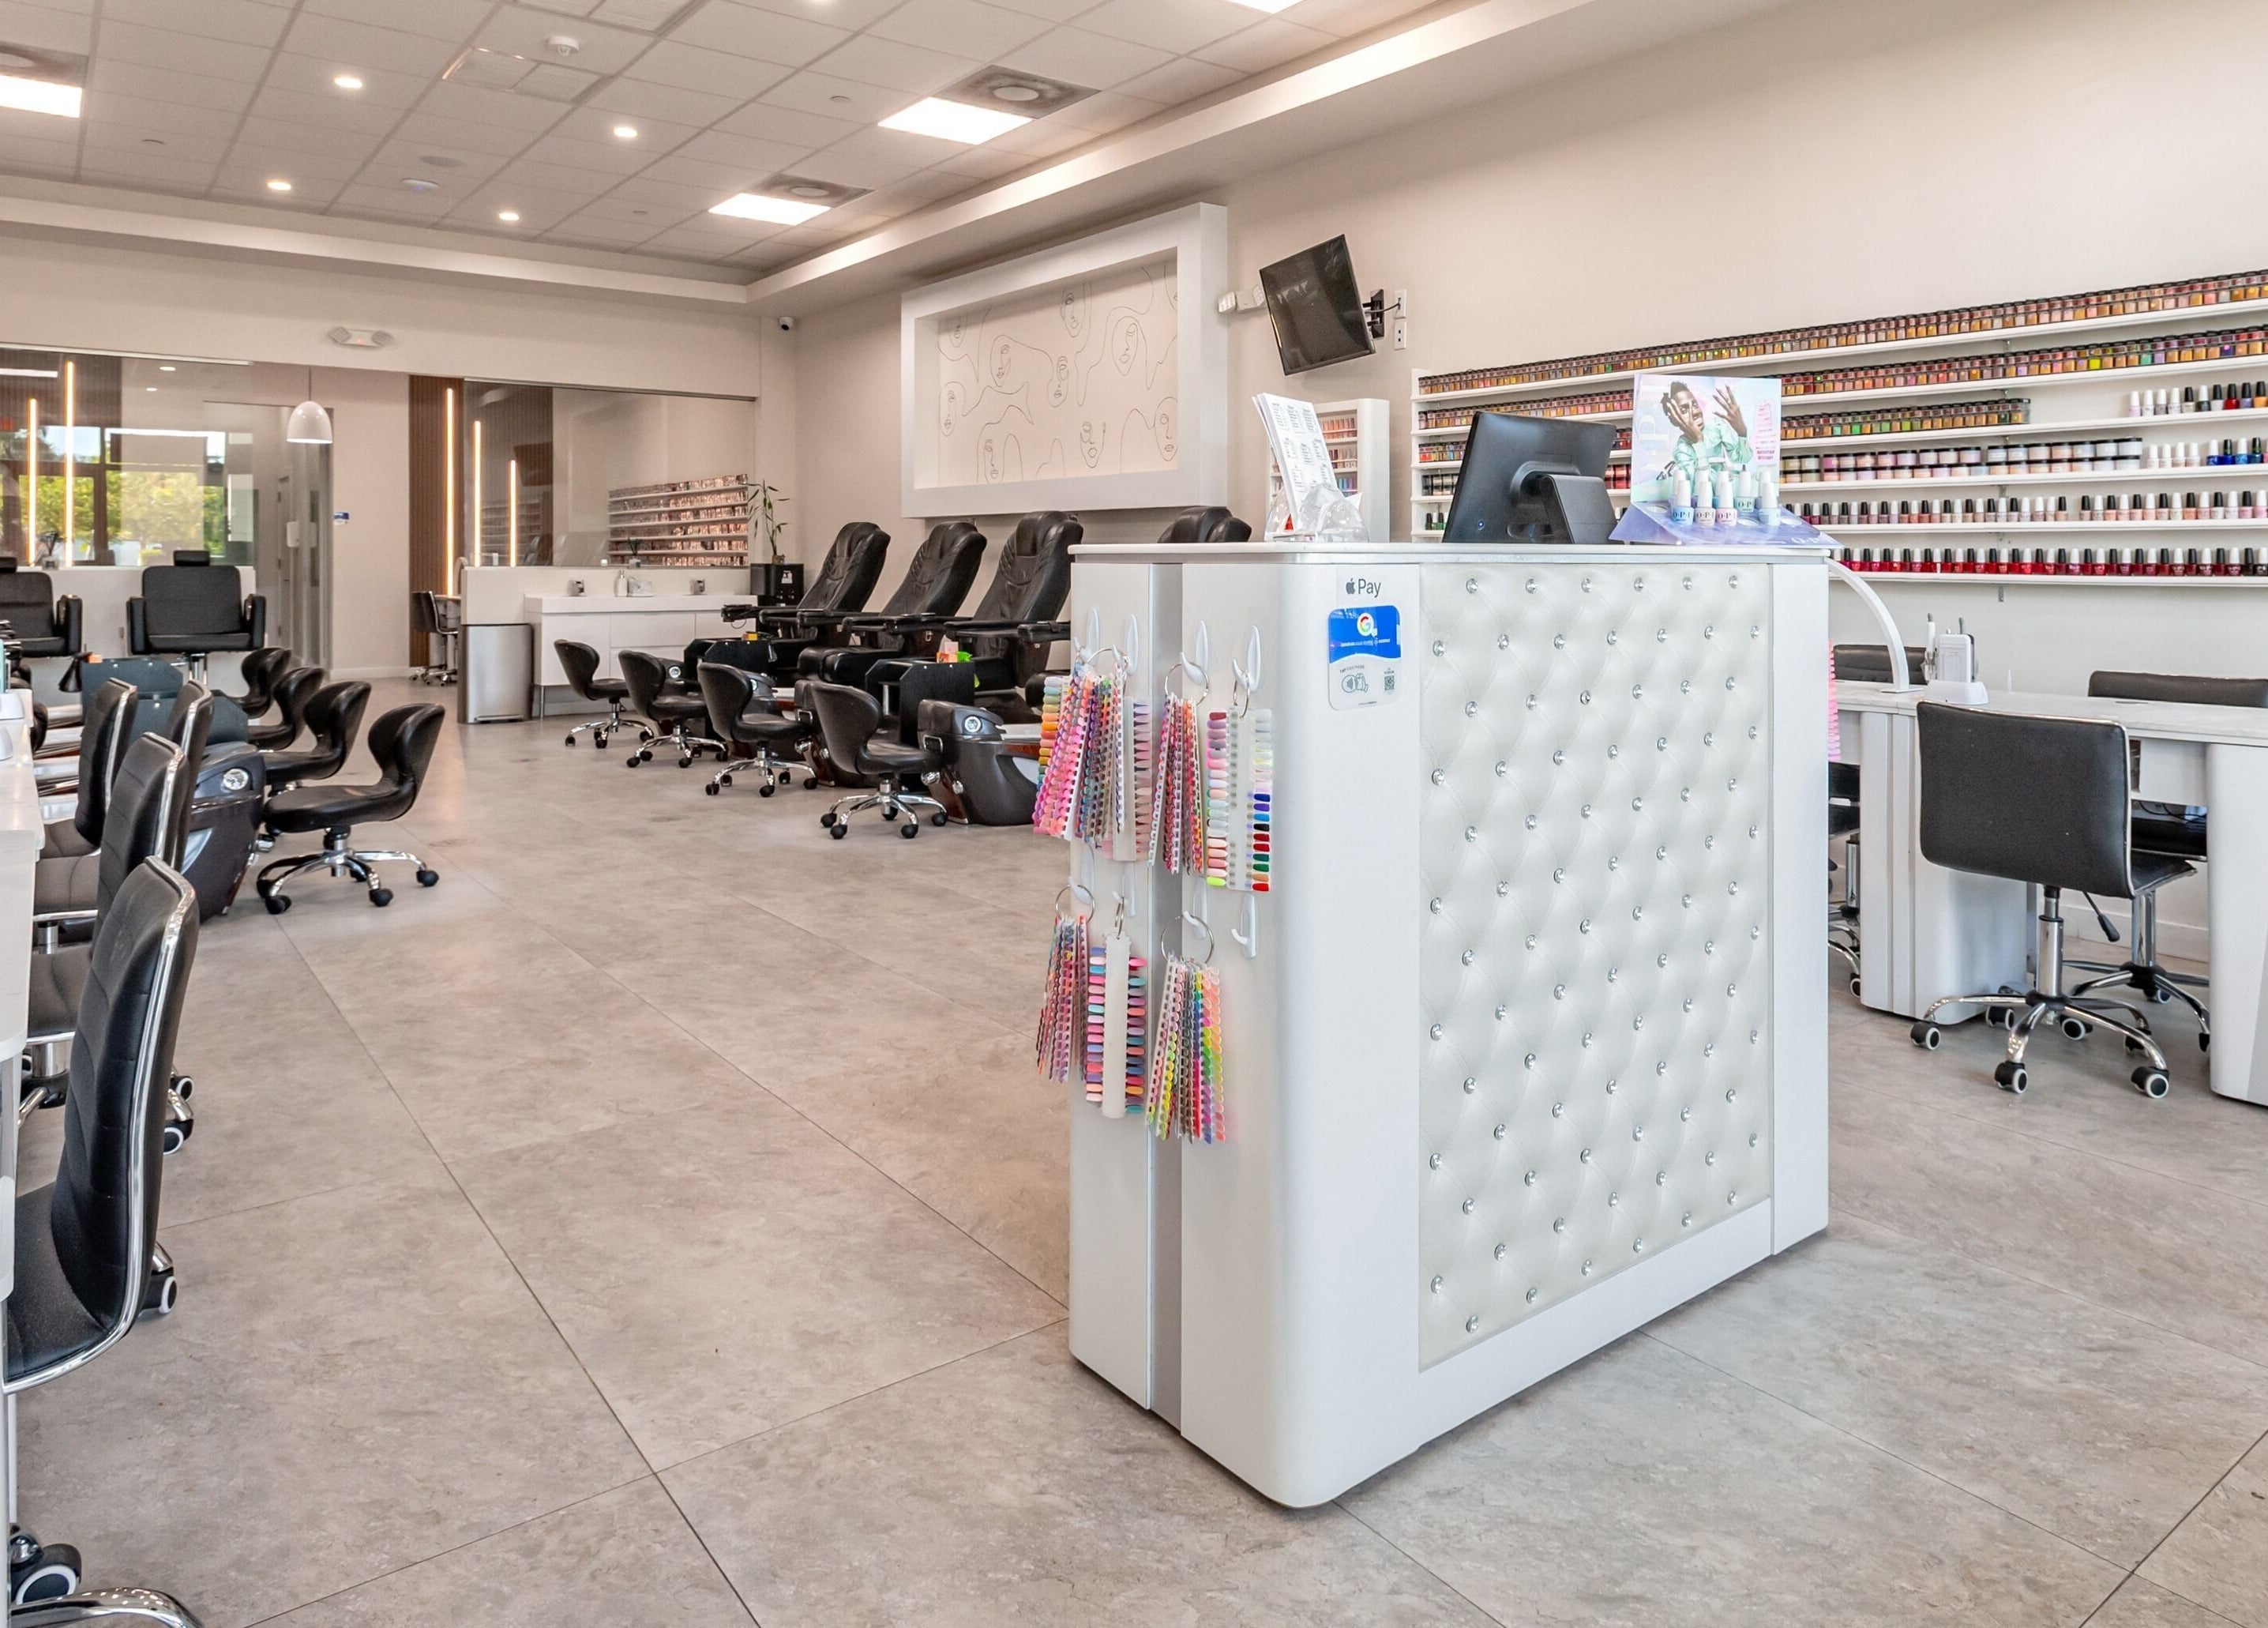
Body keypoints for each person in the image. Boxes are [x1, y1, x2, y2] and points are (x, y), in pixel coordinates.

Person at [1658, 378, 1752, 489]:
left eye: (1695, 405)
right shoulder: (1682, 451)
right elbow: (1703, 489)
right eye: (1684, 411)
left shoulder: (1716, 425)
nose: (1695, 412)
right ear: (1674, 420)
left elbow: (1743, 459)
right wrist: (1699, 441)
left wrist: (1742, 431)